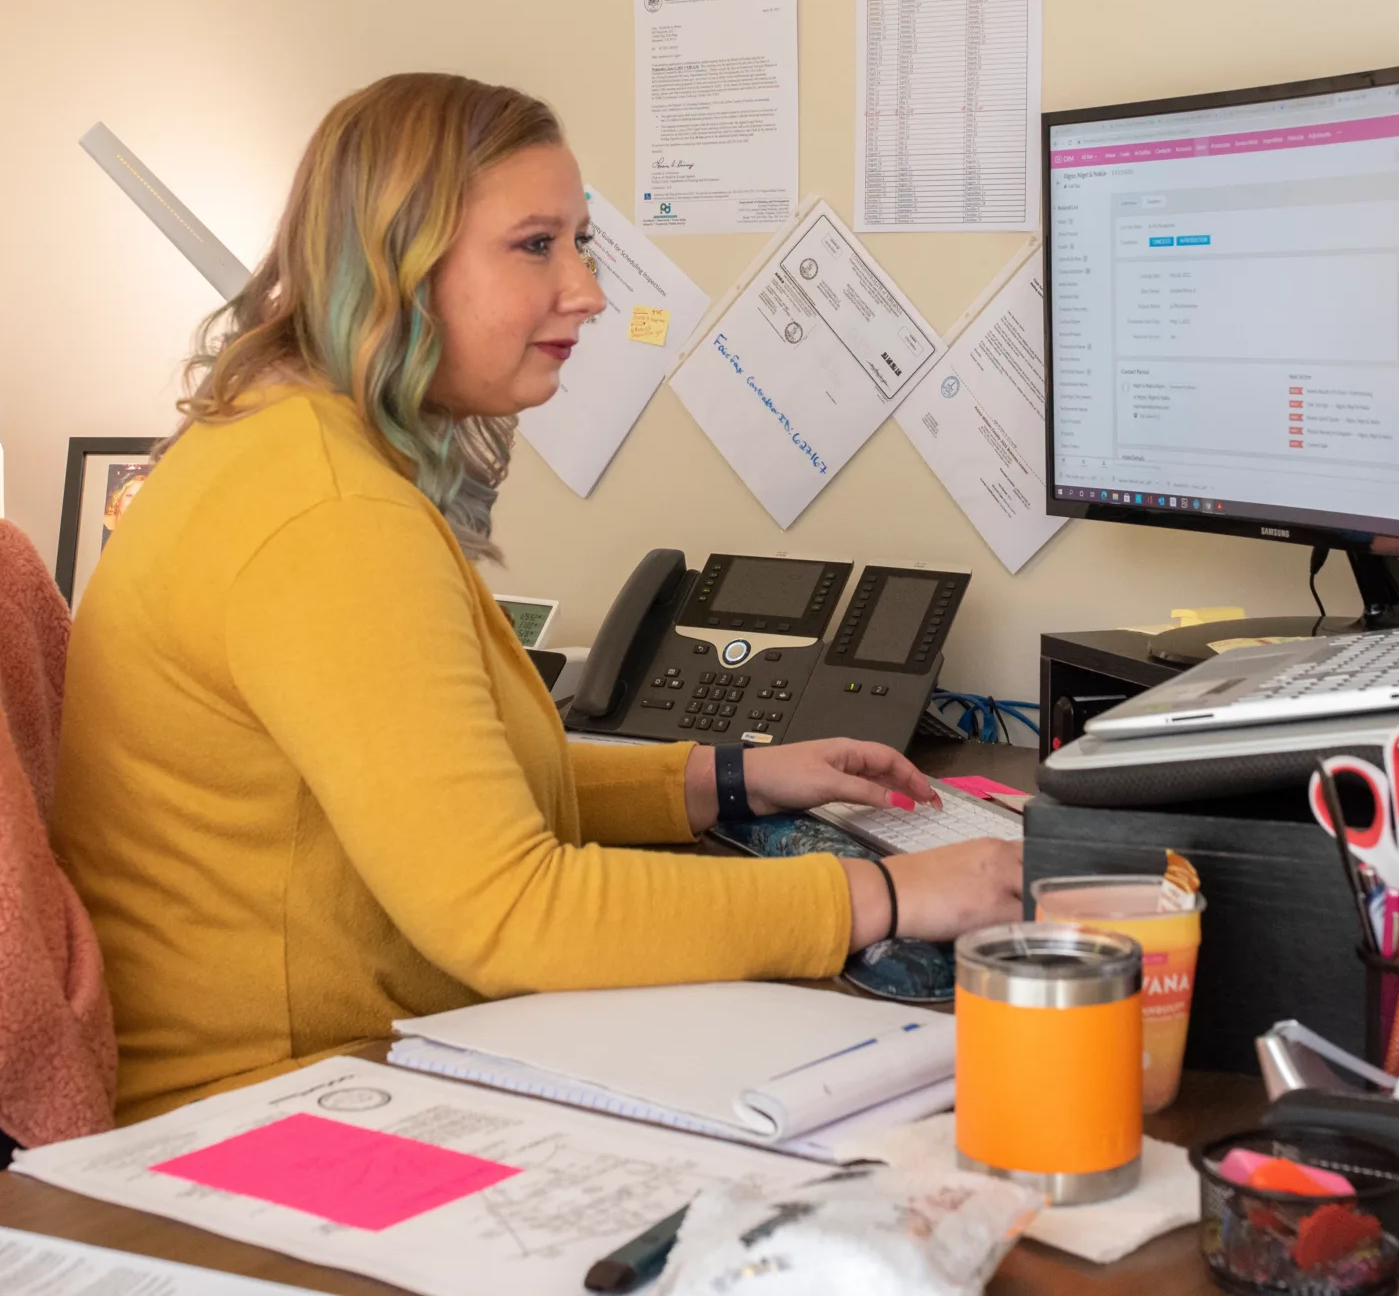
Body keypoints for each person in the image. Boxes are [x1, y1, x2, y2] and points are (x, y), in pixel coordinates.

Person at [53, 73, 1024, 1121]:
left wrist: (720, 777)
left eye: (581, 242)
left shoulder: (280, 441)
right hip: (258, 1113)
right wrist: (885, 894)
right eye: (534, 245)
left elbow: (447, 788)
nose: (588, 290)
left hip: (320, 1070)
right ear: (396, 265)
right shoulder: (331, 515)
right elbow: (509, 910)